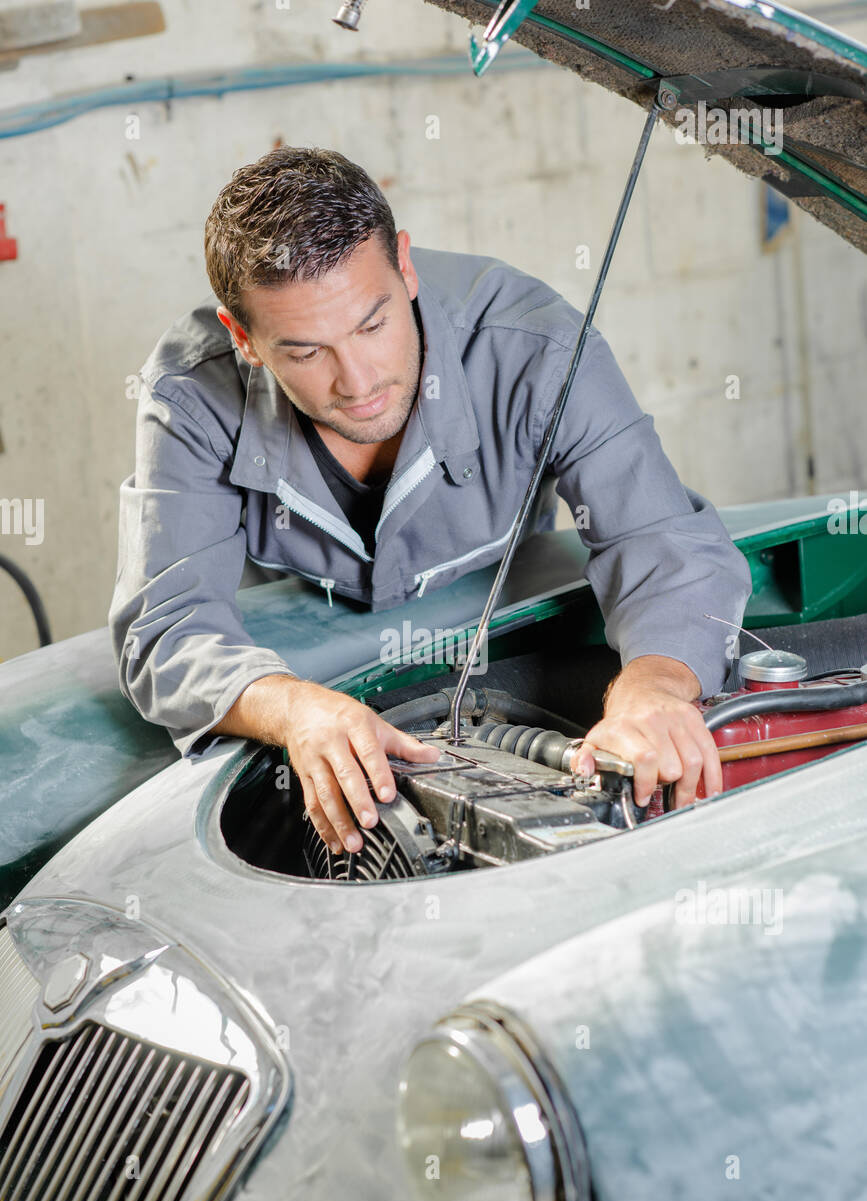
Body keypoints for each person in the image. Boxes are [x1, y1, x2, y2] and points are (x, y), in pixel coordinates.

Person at [109, 145, 752, 855]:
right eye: (304, 351)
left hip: (499, 636)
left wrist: (656, 685)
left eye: (372, 324)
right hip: (296, 665)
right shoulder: (189, 394)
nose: (356, 382)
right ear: (244, 339)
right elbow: (168, 627)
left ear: (404, 266)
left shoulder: (532, 344)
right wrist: (291, 708)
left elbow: (656, 535)